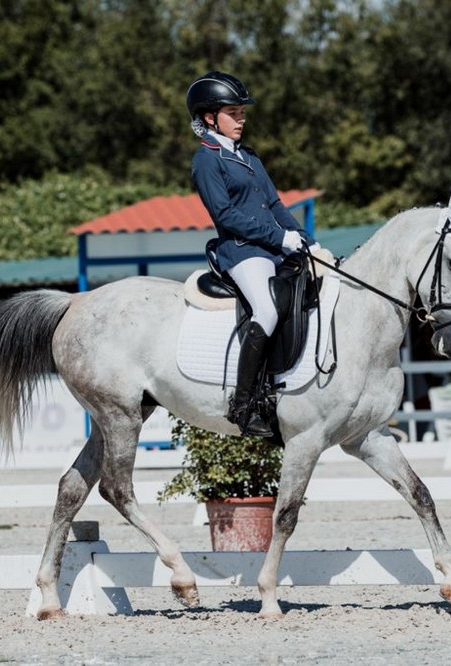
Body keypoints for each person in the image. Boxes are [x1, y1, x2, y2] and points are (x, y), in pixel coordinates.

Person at [186, 71, 317, 437]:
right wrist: (280, 238)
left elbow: (274, 203)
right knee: (267, 309)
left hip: (273, 247)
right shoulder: (207, 160)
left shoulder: (249, 156)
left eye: (242, 112)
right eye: (234, 112)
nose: (242, 119)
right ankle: (243, 405)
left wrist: (304, 238)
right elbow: (226, 215)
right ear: (210, 117)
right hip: (243, 252)